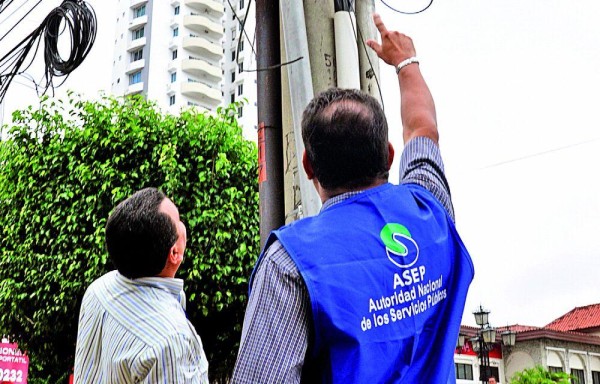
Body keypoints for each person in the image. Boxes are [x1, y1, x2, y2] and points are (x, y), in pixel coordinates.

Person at [232, 13, 474, 383]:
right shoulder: (431, 210)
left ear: (308, 165)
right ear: (389, 155)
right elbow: (423, 129)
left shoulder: (290, 263)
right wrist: (406, 62)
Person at [74, 187, 209, 384]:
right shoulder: (171, 340)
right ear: (175, 254)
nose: (183, 224)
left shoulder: (98, 290)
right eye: (179, 220)